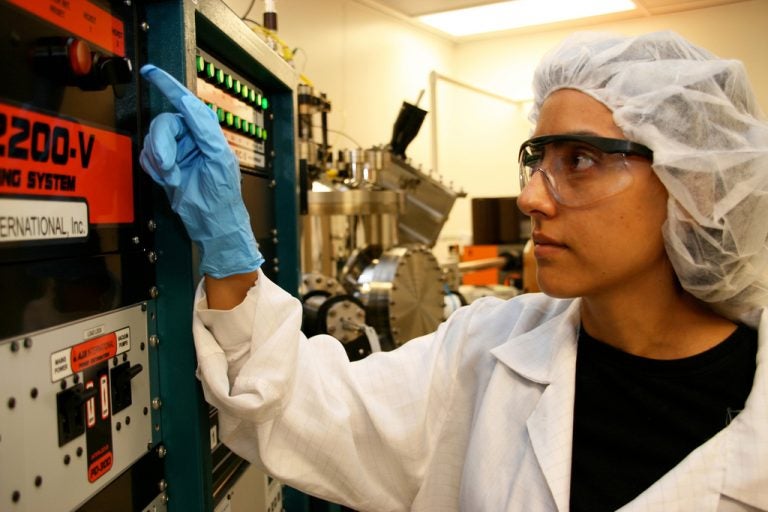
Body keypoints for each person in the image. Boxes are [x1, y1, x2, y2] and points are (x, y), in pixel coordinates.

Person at [140, 31, 768, 511]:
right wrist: (228, 251)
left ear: (699, 187)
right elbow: (301, 411)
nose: (530, 198)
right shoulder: (487, 353)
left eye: (581, 159)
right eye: (538, 158)